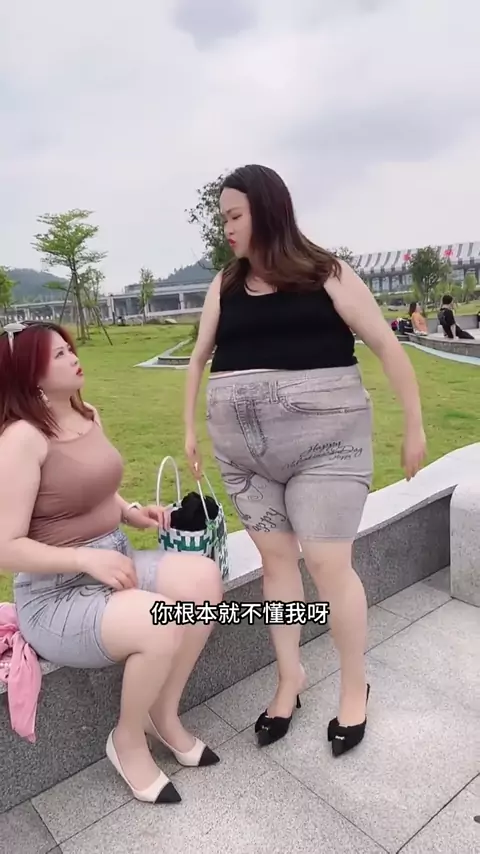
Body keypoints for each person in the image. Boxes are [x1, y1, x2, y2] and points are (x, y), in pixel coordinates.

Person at [184, 164, 426, 757]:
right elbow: (198, 357)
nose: (227, 229)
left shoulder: (326, 272)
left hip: (327, 448)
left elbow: (386, 344)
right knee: (277, 565)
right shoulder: (225, 284)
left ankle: (353, 686)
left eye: (235, 216)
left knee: (326, 563)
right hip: (246, 456)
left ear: (267, 211)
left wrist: (414, 424)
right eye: (222, 218)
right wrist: (189, 427)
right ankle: (290, 677)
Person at [0, 321, 223, 805]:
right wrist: (83, 557)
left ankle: (162, 714)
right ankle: (126, 740)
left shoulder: (87, 415)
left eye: (70, 348)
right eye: (58, 355)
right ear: (30, 374)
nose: (73, 357)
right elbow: (6, 546)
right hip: (56, 595)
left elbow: (95, 487)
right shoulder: (22, 439)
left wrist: (130, 512)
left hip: (115, 560)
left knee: (204, 579)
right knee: (161, 621)